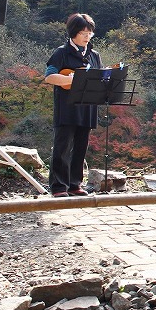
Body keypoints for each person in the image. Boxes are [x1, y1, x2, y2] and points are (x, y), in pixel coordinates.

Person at [44, 13, 103, 197]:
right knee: (62, 148)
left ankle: (74, 184)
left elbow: (100, 78)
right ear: (73, 33)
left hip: (87, 107)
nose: (87, 36)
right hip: (67, 107)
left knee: (80, 147)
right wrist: (69, 79)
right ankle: (58, 187)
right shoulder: (61, 52)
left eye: (89, 33)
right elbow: (49, 76)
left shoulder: (94, 55)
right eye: (83, 32)